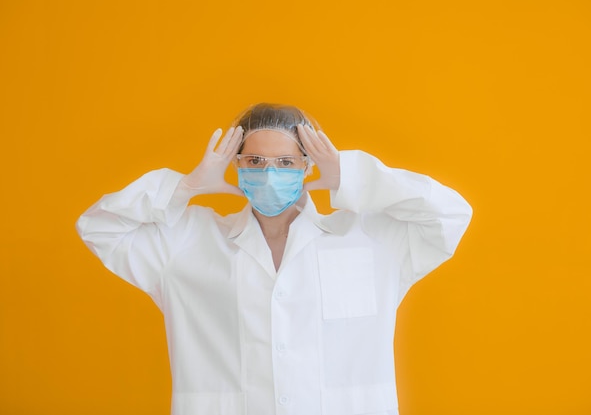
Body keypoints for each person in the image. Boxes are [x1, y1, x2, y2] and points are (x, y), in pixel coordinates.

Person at [76, 103, 473, 415]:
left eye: (285, 163)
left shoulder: (369, 238)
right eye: (255, 162)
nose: (269, 175)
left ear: (308, 165)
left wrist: (352, 176)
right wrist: (184, 187)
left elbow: (449, 215)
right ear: (235, 165)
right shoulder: (187, 242)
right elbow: (99, 227)